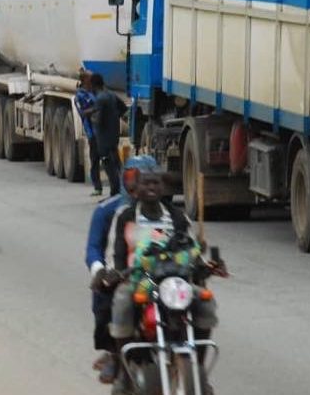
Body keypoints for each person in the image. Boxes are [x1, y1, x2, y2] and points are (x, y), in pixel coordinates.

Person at [107, 168, 217, 395]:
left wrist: (203, 263)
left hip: (175, 280)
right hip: (142, 278)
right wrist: (118, 273)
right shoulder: (127, 217)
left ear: (163, 188)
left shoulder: (177, 216)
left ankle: (197, 369)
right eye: (145, 184)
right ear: (135, 190)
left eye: (156, 184)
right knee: (122, 300)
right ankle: (123, 374)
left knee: (205, 300)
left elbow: (190, 248)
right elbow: (118, 252)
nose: (151, 188)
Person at [85, 155, 159, 385]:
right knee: (108, 296)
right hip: (123, 273)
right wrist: (100, 270)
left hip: (160, 274)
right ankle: (115, 353)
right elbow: (94, 248)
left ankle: (194, 362)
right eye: (132, 179)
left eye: (148, 179)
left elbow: (187, 241)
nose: (139, 186)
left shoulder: (169, 213)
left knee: (196, 298)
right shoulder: (108, 211)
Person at [85, 73, 127, 196]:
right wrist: (113, 117)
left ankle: (114, 193)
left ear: (93, 85)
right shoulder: (111, 95)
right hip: (114, 136)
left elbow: (98, 120)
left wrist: (89, 116)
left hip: (103, 139)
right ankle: (123, 191)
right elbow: (124, 108)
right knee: (117, 165)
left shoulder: (100, 98)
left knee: (109, 166)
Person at [74, 71, 101, 197]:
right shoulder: (79, 96)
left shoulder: (96, 92)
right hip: (92, 133)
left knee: (110, 160)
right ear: (85, 81)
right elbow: (83, 113)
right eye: (91, 79)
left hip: (102, 131)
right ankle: (97, 187)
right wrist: (97, 108)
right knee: (94, 160)